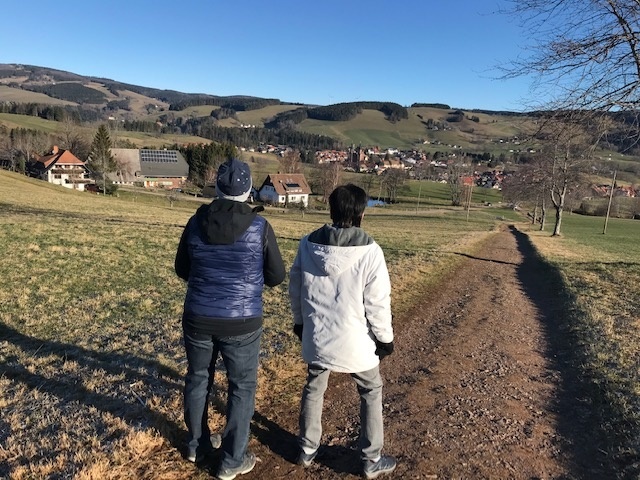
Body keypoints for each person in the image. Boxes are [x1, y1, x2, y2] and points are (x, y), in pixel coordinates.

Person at [175, 158, 285, 480]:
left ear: (218, 188)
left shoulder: (195, 222)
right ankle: (233, 458)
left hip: (198, 317)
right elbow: (276, 276)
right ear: (249, 190)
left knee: (198, 378)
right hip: (242, 322)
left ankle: (196, 446)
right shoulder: (260, 228)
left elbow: (182, 269)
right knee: (241, 387)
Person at [288, 184, 396, 479]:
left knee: (314, 387)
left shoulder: (307, 244)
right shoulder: (371, 251)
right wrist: (385, 339)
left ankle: (307, 448)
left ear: (331, 209)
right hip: (356, 342)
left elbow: (296, 288)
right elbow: (377, 302)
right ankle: (371, 459)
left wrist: (300, 323)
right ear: (362, 214)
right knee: (370, 390)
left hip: (318, 337)